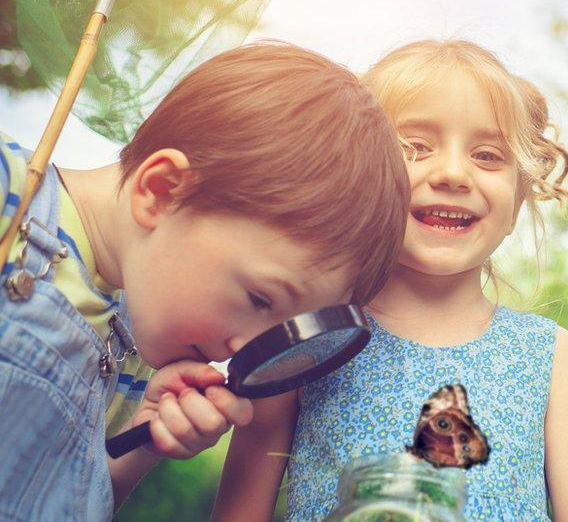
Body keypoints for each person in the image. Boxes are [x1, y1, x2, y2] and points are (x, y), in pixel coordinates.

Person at [0, 41, 408, 520]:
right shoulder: (12, 196)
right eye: (259, 299)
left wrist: (142, 444)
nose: (241, 347)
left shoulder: (139, 349)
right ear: (162, 192)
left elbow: (55, 501)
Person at [213, 39, 568, 521]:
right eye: (413, 148)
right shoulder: (309, 338)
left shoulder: (552, 356)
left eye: (488, 155)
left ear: (520, 199)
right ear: (359, 175)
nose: (452, 173)